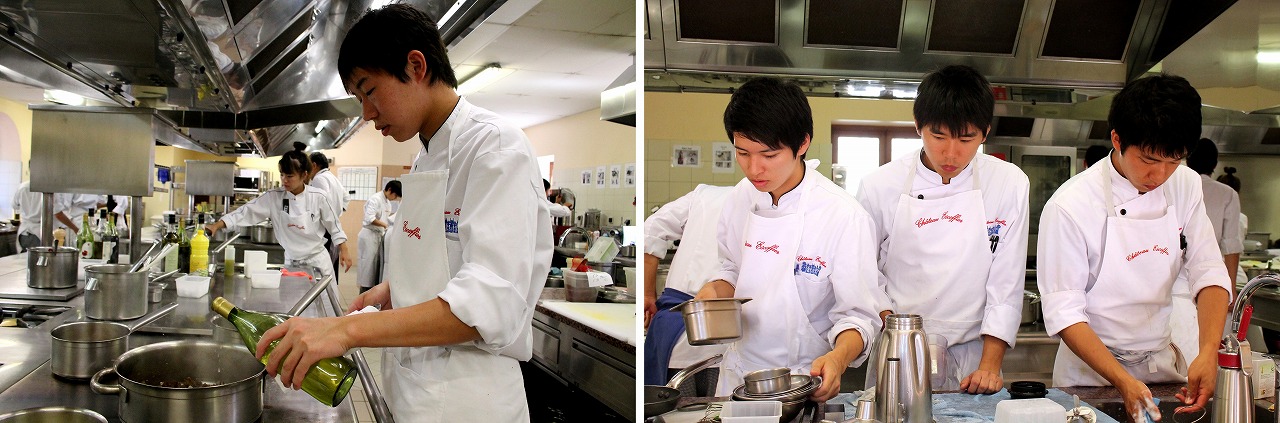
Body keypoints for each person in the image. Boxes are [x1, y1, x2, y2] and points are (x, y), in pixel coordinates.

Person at [247, 5, 552, 422]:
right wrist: (398, 287)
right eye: (360, 99)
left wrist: (345, 330)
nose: (367, 114)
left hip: (467, 401)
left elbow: (490, 304)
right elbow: (449, 256)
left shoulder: (494, 147)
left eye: (369, 91)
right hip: (416, 390)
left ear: (416, 66)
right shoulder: (427, 156)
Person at [1037, 74, 1230, 419]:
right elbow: (1064, 312)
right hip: (1090, 376)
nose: (1161, 175)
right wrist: (1123, 381)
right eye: (1149, 160)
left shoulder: (1185, 184)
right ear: (1117, 139)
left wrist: (1207, 351)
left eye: (1174, 161)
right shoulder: (1071, 205)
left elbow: (1209, 272)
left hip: (1160, 368)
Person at [694, 77, 881, 401]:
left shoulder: (843, 215)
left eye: (769, 155)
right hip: (737, 376)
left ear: (803, 143)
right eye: (742, 153)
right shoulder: (740, 198)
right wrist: (713, 291)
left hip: (802, 382)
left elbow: (859, 316)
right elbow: (733, 269)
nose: (754, 169)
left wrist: (837, 359)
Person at [855, 64, 1029, 394]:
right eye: (938, 137)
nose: (951, 153)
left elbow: (1006, 281)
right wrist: (898, 336)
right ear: (917, 125)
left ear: (985, 132)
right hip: (899, 350)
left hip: (974, 356)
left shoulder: (1008, 183)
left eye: (966, 139)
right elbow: (864, 275)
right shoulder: (880, 185)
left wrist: (989, 366)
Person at [643, 183, 732, 396]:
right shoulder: (770, 203)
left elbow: (652, 228)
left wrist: (647, 294)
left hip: (676, 330)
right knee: (714, 409)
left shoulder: (706, 195)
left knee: (674, 409)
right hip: (723, 336)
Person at [205, 149, 352, 278]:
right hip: (291, 263)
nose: (284, 180)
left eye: (290, 176)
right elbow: (246, 211)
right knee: (295, 300)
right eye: (282, 175)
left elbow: (334, 226)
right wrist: (218, 225)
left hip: (317, 262)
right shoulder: (274, 197)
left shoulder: (318, 196)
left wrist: (344, 250)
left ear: (304, 175)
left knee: (324, 301)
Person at [308, 150, 349, 283]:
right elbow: (346, 197)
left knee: (323, 270)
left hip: (324, 229)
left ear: (314, 165)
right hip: (331, 226)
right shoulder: (332, 177)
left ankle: (324, 294)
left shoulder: (319, 178)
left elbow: (322, 201)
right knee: (331, 268)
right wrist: (336, 211)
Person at [357, 180, 400, 293]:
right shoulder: (375, 199)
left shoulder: (387, 203)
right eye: (395, 195)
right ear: (389, 190)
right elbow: (369, 218)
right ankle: (364, 293)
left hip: (378, 235)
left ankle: (371, 293)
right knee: (367, 269)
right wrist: (386, 225)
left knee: (374, 269)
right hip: (369, 235)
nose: (395, 198)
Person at [11, 182, 76, 250]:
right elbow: (58, 214)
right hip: (40, 234)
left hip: (23, 233)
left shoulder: (22, 187)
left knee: (26, 256)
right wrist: (75, 229)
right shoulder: (48, 188)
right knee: (41, 256)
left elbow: (15, 206)